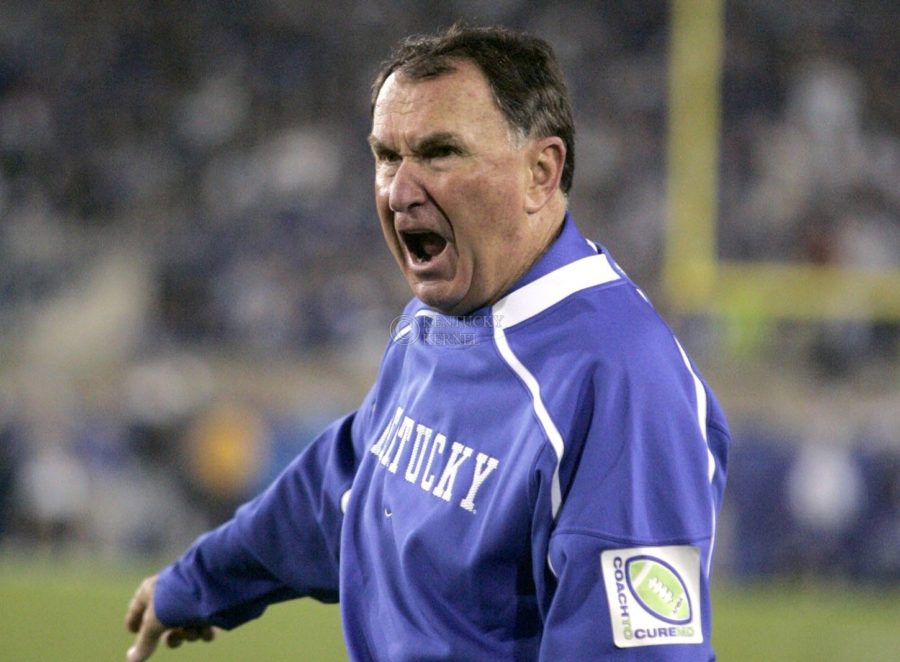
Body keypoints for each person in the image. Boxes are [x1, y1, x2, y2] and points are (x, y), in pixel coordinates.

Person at [125, 24, 730, 661]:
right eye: (387, 156)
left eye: (440, 153)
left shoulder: (620, 382)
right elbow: (347, 486)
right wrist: (200, 580)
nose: (399, 191)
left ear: (541, 173)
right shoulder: (436, 318)